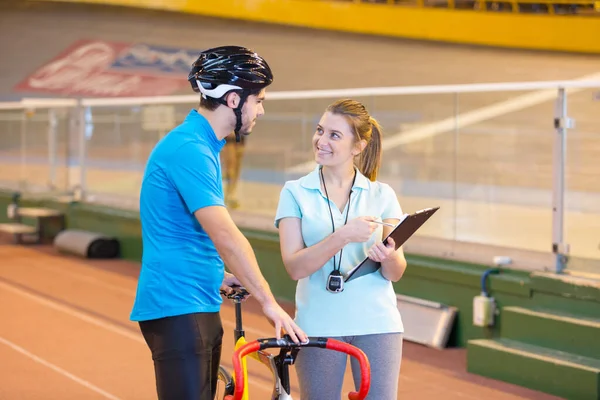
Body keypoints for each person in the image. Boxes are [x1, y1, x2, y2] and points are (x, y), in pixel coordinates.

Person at [130, 45, 307, 400]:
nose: (260, 109)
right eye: (258, 100)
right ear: (232, 100)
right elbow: (225, 235)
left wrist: (218, 276)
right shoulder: (190, 149)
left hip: (195, 298)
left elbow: (182, 233)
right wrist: (268, 302)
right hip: (179, 303)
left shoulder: (201, 145)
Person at [275, 99, 407, 400]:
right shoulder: (294, 192)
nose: (321, 141)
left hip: (378, 323)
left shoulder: (382, 194)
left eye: (334, 135)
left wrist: (390, 256)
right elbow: (295, 267)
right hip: (318, 323)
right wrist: (343, 236)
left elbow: (396, 273)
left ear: (357, 147)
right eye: (320, 131)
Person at [221, 131, 246, 209]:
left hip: (240, 134)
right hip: (229, 134)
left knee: (236, 166)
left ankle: (232, 194)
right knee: (230, 166)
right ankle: (227, 195)